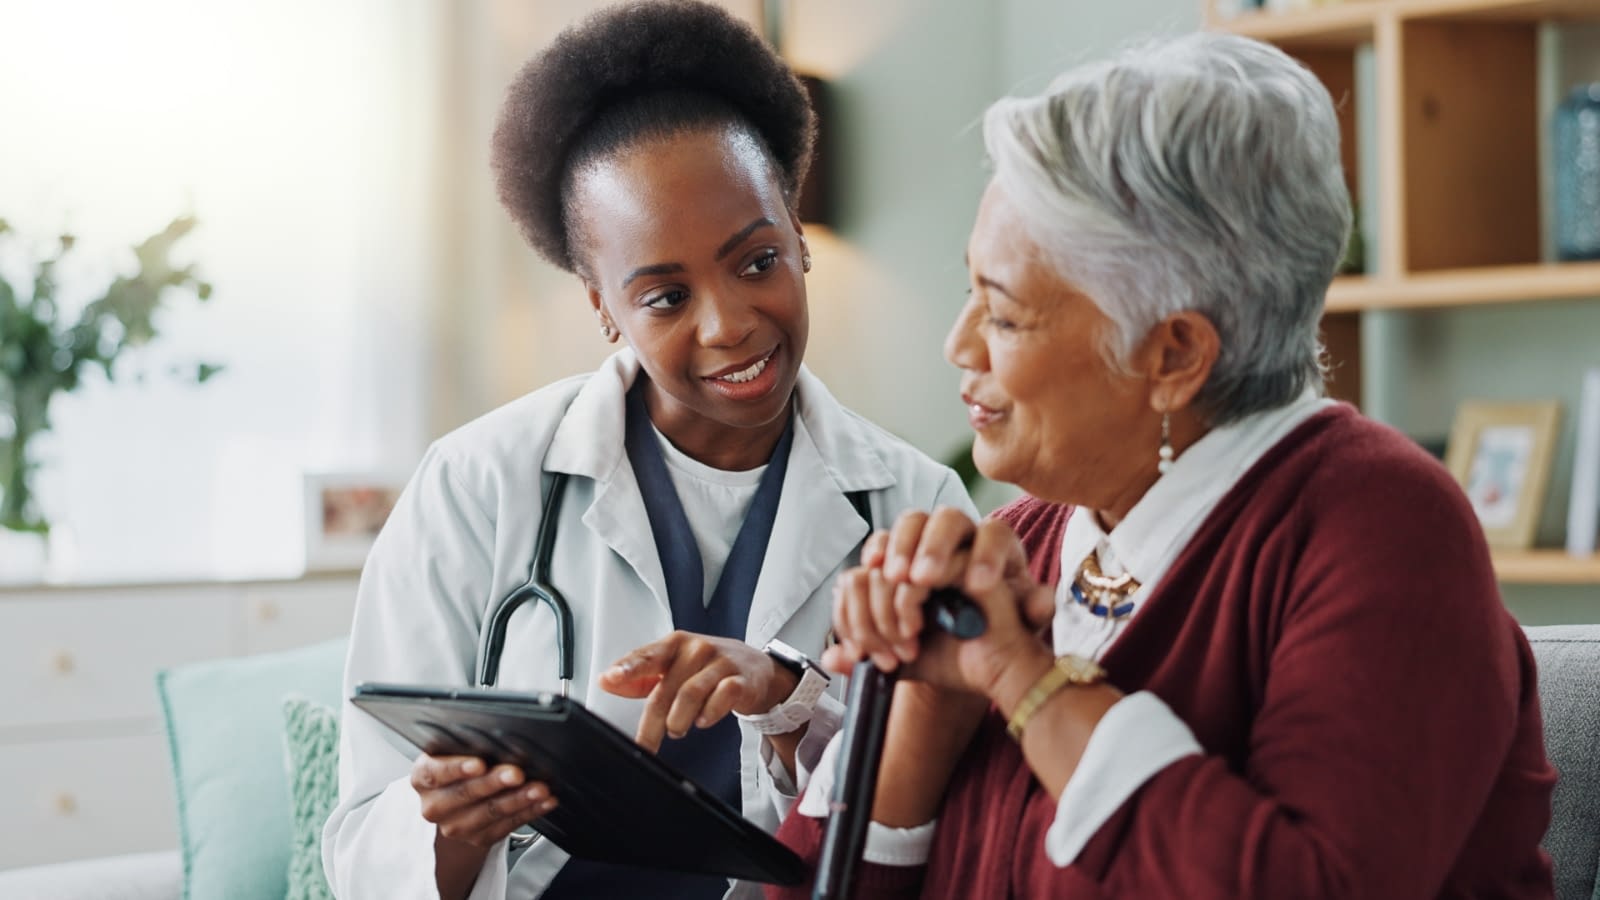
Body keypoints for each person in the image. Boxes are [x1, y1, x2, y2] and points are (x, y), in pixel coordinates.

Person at [771, 31, 1556, 899]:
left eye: (1002, 314)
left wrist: (1021, 679)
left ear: (1174, 353)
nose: (958, 345)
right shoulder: (1017, 542)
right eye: (970, 293)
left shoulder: (1382, 528)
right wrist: (931, 698)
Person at [321, 3, 974, 898]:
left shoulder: (916, 504)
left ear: (795, 231)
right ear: (601, 304)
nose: (730, 325)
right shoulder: (477, 486)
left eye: (756, 262)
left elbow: (954, 812)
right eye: (665, 297)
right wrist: (446, 827)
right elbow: (364, 836)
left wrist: (792, 700)